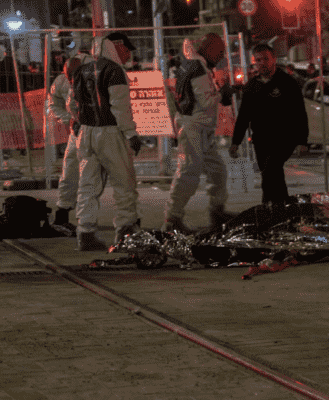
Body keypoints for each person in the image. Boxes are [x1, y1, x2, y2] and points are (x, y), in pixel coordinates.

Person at [70, 32, 144, 251]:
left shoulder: (82, 70)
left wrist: (78, 123)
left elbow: (73, 104)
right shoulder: (114, 71)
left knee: (88, 185)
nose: (128, 54)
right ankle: (125, 230)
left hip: (86, 132)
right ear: (116, 47)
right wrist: (131, 134)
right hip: (110, 133)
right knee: (124, 183)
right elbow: (120, 107)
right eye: (126, 49)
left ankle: (85, 232)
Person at [162, 33, 236, 234]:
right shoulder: (198, 68)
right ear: (210, 48)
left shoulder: (190, 64)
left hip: (198, 128)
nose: (221, 56)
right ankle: (172, 219)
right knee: (188, 173)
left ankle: (216, 211)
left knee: (217, 170)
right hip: (195, 128)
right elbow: (206, 101)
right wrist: (224, 92)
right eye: (220, 51)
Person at [228, 44, 308, 206]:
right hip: (261, 139)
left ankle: (269, 205)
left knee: (272, 168)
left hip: (285, 138)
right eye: (258, 60)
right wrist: (236, 141)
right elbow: (244, 116)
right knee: (269, 173)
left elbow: (299, 112)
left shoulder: (287, 82)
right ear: (254, 62)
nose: (262, 63)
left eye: (266, 59)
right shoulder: (252, 86)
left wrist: (302, 140)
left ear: (274, 59)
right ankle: (280, 207)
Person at [48, 52, 95, 236]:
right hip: (84, 130)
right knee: (72, 170)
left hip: (98, 129)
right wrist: (69, 119)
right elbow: (53, 103)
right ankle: (71, 215)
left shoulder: (98, 76)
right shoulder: (63, 81)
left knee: (79, 172)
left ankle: (81, 219)